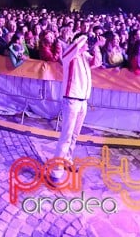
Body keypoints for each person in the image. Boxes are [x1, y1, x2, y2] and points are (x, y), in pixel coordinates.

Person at [50, 33, 94, 181]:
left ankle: (67, 159)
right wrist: (83, 37)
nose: (88, 43)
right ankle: (56, 170)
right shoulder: (70, 55)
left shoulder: (85, 57)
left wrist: (98, 47)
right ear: (79, 42)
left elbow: (98, 62)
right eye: (86, 41)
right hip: (72, 100)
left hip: (83, 101)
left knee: (74, 135)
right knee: (66, 136)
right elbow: (74, 47)